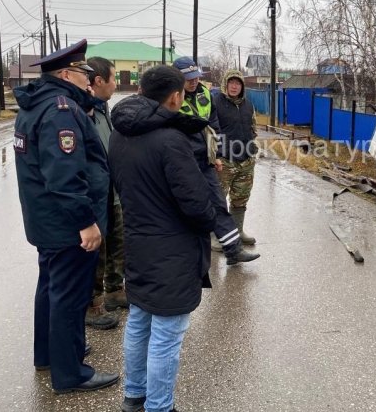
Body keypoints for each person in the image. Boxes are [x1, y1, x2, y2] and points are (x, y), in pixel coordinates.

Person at [13, 39, 119, 394]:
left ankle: (51, 353)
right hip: (67, 225)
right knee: (69, 296)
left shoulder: (38, 103)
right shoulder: (61, 111)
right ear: (65, 74)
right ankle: (71, 372)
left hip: (47, 221)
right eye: (83, 73)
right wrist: (86, 222)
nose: (89, 79)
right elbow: (64, 175)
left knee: (51, 289)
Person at [108, 65, 217, 412]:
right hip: (172, 251)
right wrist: (212, 216)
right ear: (175, 96)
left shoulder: (119, 133)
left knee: (139, 322)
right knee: (167, 335)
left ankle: (135, 395)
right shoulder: (171, 140)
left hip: (139, 242)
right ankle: (159, 406)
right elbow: (197, 204)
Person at [172, 56, 259, 265]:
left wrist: (215, 154)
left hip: (217, 159)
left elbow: (214, 127)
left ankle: (233, 246)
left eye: (196, 77)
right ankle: (199, 248)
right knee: (193, 205)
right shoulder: (173, 96)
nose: (194, 81)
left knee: (224, 202)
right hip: (186, 160)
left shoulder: (205, 94)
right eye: (189, 78)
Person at [83, 56, 124, 331]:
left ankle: (115, 290)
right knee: (98, 250)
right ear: (99, 81)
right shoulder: (83, 109)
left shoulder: (103, 106)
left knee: (118, 240)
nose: (116, 83)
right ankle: (93, 304)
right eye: (113, 78)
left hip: (113, 189)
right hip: (95, 193)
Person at [214, 68, 258, 245]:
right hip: (224, 160)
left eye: (237, 83)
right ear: (225, 84)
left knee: (240, 198)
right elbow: (210, 130)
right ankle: (218, 236)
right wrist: (215, 154)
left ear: (242, 86)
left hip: (246, 160)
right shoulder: (215, 103)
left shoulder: (248, 104)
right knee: (218, 200)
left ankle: (237, 232)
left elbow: (253, 127)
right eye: (231, 83)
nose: (234, 86)